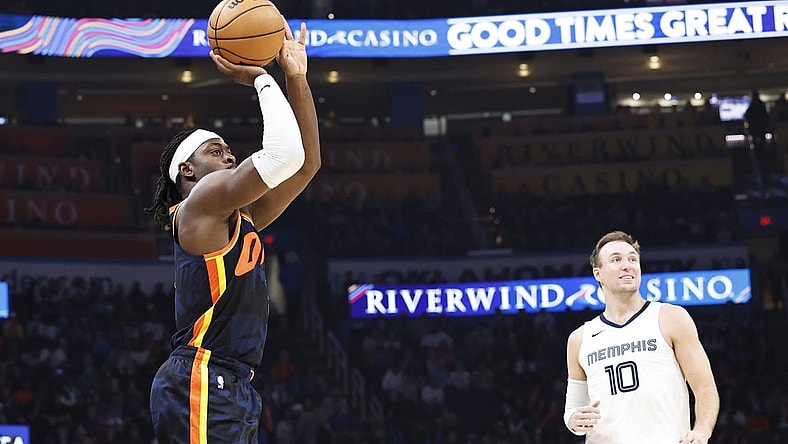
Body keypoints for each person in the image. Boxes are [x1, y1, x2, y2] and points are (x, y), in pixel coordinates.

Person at [146, 19, 320, 444]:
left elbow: (306, 163)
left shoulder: (239, 219)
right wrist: (262, 77)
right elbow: (282, 154)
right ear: (187, 170)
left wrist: (296, 77)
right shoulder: (199, 202)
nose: (229, 155)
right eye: (215, 150)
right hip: (203, 375)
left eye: (228, 149)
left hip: (232, 381)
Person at [563, 231, 719, 444]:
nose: (627, 265)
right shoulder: (580, 339)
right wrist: (573, 420)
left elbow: (705, 388)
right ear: (597, 274)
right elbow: (573, 409)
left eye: (632, 259)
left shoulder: (670, 317)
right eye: (616, 259)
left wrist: (701, 431)